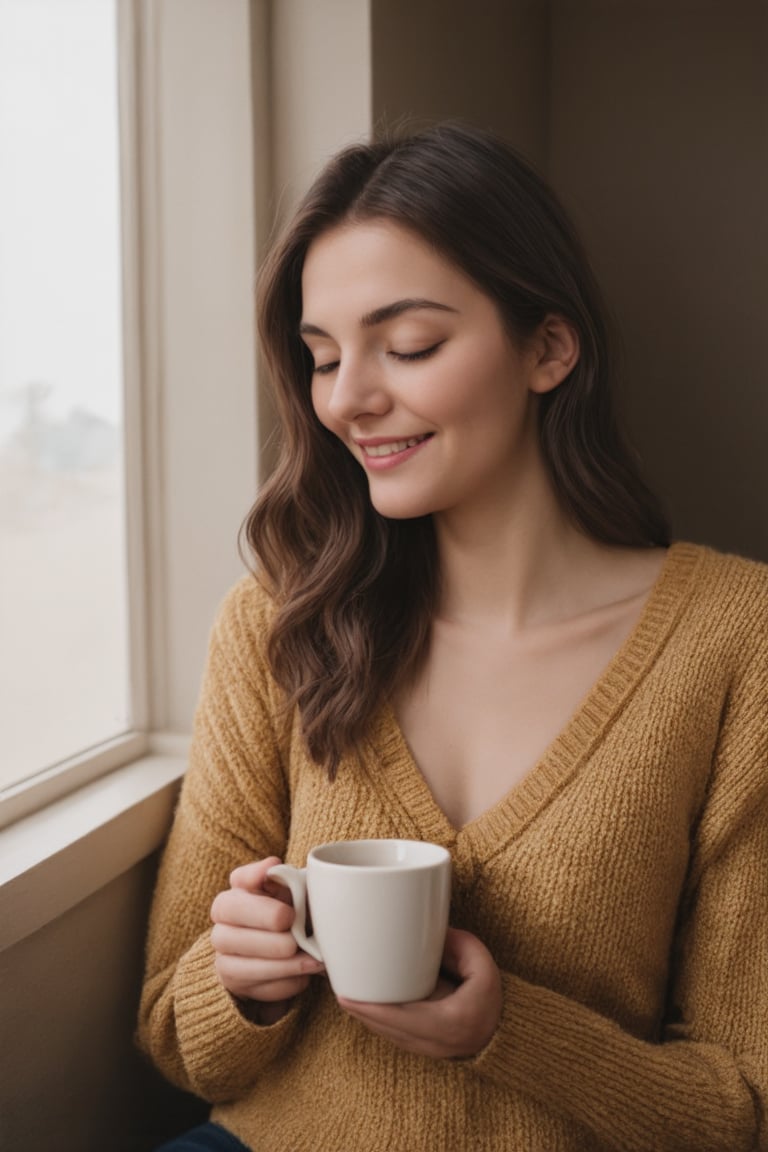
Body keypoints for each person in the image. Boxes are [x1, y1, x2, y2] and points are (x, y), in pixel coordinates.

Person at [137, 122, 768, 1152]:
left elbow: (742, 1110)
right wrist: (239, 982)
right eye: (323, 356)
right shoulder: (276, 625)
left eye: (410, 345)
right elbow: (175, 1035)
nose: (347, 399)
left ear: (549, 349)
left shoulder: (738, 643)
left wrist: (504, 1031)